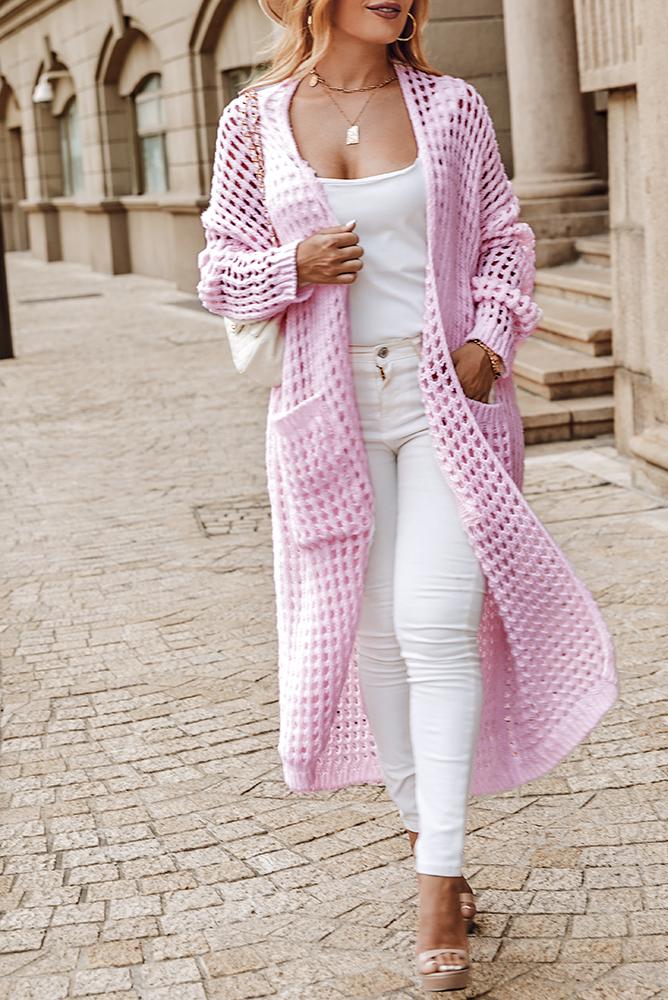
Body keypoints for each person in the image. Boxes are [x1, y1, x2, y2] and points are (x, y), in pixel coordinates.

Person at [197, 0, 619, 991]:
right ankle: (431, 841)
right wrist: (291, 265)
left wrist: (489, 340)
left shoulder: (451, 106)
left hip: (445, 400)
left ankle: (437, 884)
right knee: (378, 639)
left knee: (435, 623)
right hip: (328, 408)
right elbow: (219, 273)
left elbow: (505, 238)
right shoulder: (254, 120)